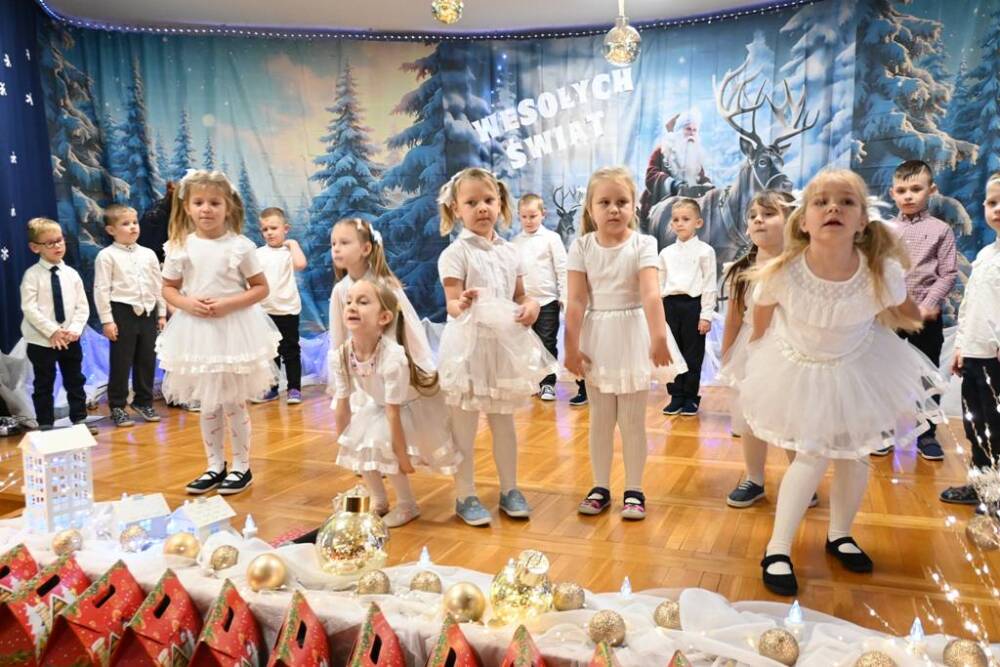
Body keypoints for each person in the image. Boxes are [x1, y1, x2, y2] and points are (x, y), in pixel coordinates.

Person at [742, 169, 944, 596]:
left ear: (862, 221)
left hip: (858, 366)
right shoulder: (783, 271)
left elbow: (906, 309)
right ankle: (777, 548)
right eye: (821, 202)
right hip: (800, 366)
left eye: (846, 202)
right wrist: (756, 353)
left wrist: (917, 314)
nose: (833, 208)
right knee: (812, 454)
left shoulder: (879, 271)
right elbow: (760, 316)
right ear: (803, 221)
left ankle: (840, 534)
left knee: (855, 454)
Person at [437, 167, 558, 526]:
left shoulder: (510, 252)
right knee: (464, 426)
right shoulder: (456, 253)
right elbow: (451, 303)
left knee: (504, 423)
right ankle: (465, 494)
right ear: (456, 209)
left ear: (500, 203)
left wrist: (531, 305)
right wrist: (463, 303)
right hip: (468, 347)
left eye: (488, 200)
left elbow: (520, 295)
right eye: (471, 202)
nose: (481, 208)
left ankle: (510, 488)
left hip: (503, 348)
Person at [565, 166, 686, 520]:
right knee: (600, 419)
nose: (613, 209)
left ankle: (634, 490)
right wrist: (570, 346)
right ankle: (600, 487)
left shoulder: (643, 244)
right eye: (604, 202)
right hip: (597, 338)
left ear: (634, 206)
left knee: (632, 421)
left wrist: (659, 336)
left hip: (633, 334)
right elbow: (575, 300)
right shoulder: (582, 246)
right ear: (591, 209)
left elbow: (650, 294)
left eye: (621, 201)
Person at [157, 170, 280, 496]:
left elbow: (260, 288)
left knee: (233, 402)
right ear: (187, 207)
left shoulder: (239, 246)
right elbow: (168, 288)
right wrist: (186, 303)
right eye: (199, 202)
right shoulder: (180, 247)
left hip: (233, 331)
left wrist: (228, 303)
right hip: (197, 332)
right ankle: (214, 465)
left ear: (229, 207)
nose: (206, 209)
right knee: (208, 403)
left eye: (214, 203)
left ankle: (241, 465)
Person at [330, 278, 461, 527]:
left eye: (363, 302)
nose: (352, 306)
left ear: (384, 317)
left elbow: (393, 412)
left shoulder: (392, 357)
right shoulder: (341, 355)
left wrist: (401, 456)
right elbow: (342, 403)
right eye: (349, 302)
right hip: (380, 405)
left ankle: (407, 504)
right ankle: (379, 500)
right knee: (362, 447)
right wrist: (345, 444)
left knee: (384, 446)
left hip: (409, 407)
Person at [718, 191, 818, 509]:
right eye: (753, 216)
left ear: (792, 221)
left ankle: (800, 480)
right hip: (750, 349)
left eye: (769, 214)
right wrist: (726, 355)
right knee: (749, 416)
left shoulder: (804, 266)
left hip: (790, 350)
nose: (758, 220)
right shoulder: (741, 269)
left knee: (791, 418)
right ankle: (754, 478)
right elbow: (734, 317)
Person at [878, 160, 957, 460]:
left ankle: (926, 433)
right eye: (902, 190)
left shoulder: (941, 230)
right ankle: (885, 430)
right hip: (890, 315)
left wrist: (927, 305)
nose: (908, 196)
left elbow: (948, 274)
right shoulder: (885, 231)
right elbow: (876, 270)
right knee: (884, 372)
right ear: (892, 193)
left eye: (916, 189)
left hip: (925, 317)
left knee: (927, 375)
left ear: (931, 190)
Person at [940, 172, 1000, 507]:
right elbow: (970, 306)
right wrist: (961, 345)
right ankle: (981, 484)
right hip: (975, 355)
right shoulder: (986, 255)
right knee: (976, 424)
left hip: (996, 359)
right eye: (992, 202)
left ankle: (997, 493)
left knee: (998, 426)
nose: (997, 209)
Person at [20, 217, 95, 434]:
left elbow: (82, 306)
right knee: (44, 381)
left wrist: (75, 329)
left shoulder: (72, 274)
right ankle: (45, 423)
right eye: (50, 243)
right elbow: (29, 308)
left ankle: (79, 418)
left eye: (60, 240)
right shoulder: (32, 276)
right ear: (35, 247)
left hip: (70, 338)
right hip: (42, 340)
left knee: (75, 379)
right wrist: (52, 331)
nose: (57, 246)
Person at [94, 204, 166, 427]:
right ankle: (117, 405)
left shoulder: (148, 254)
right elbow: (101, 289)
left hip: (148, 312)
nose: (133, 227)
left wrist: (161, 314)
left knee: (147, 360)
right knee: (121, 361)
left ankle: (143, 401)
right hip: (122, 312)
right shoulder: (107, 256)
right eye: (125, 224)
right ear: (111, 230)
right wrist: (107, 320)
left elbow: (158, 285)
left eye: (135, 222)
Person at [658, 198, 716, 416]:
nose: (680, 223)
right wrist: (657, 313)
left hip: (693, 305)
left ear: (698, 223)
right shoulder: (665, 253)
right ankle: (676, 396)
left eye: (685, 219)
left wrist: (706, 315)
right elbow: (658, 284)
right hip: (669, 306)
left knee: (692, 354)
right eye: (675, 220)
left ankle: (691, 397)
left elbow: (709, 284)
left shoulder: (705, 251)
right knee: (672, 352)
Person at [512, 193, 567, 401]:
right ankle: (533, 381)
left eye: (533, 216)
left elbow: (562, 268)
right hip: (525, 303)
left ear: (543, 214)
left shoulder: (552, 239)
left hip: (547, 301)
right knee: (528, 345)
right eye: (524, 217)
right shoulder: (515, 243)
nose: (528, 221)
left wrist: (564, 295)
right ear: (519, 216)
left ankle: (548, 384)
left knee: (547, 342)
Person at [254, 207, 307, 404]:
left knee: (290, 350)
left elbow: (300, 264)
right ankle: (272, 388)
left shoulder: (289, 252)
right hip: (265, 310)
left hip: (287, 310)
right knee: (270, 353)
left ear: (285, 229)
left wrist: (293, 243)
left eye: (274, 228)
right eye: (265, 229)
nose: (269, 232)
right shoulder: (258, 254)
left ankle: (294, 388)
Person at [638, 109, 714, 226]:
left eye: (695, 130)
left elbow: (701, 178)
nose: (692, 133)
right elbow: (651, 176)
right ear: (678, 131)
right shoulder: (662, 151)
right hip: (659, 208)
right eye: (688, 129)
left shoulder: (694, 156)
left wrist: (707, 186)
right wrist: (672, 184)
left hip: (687, 208)